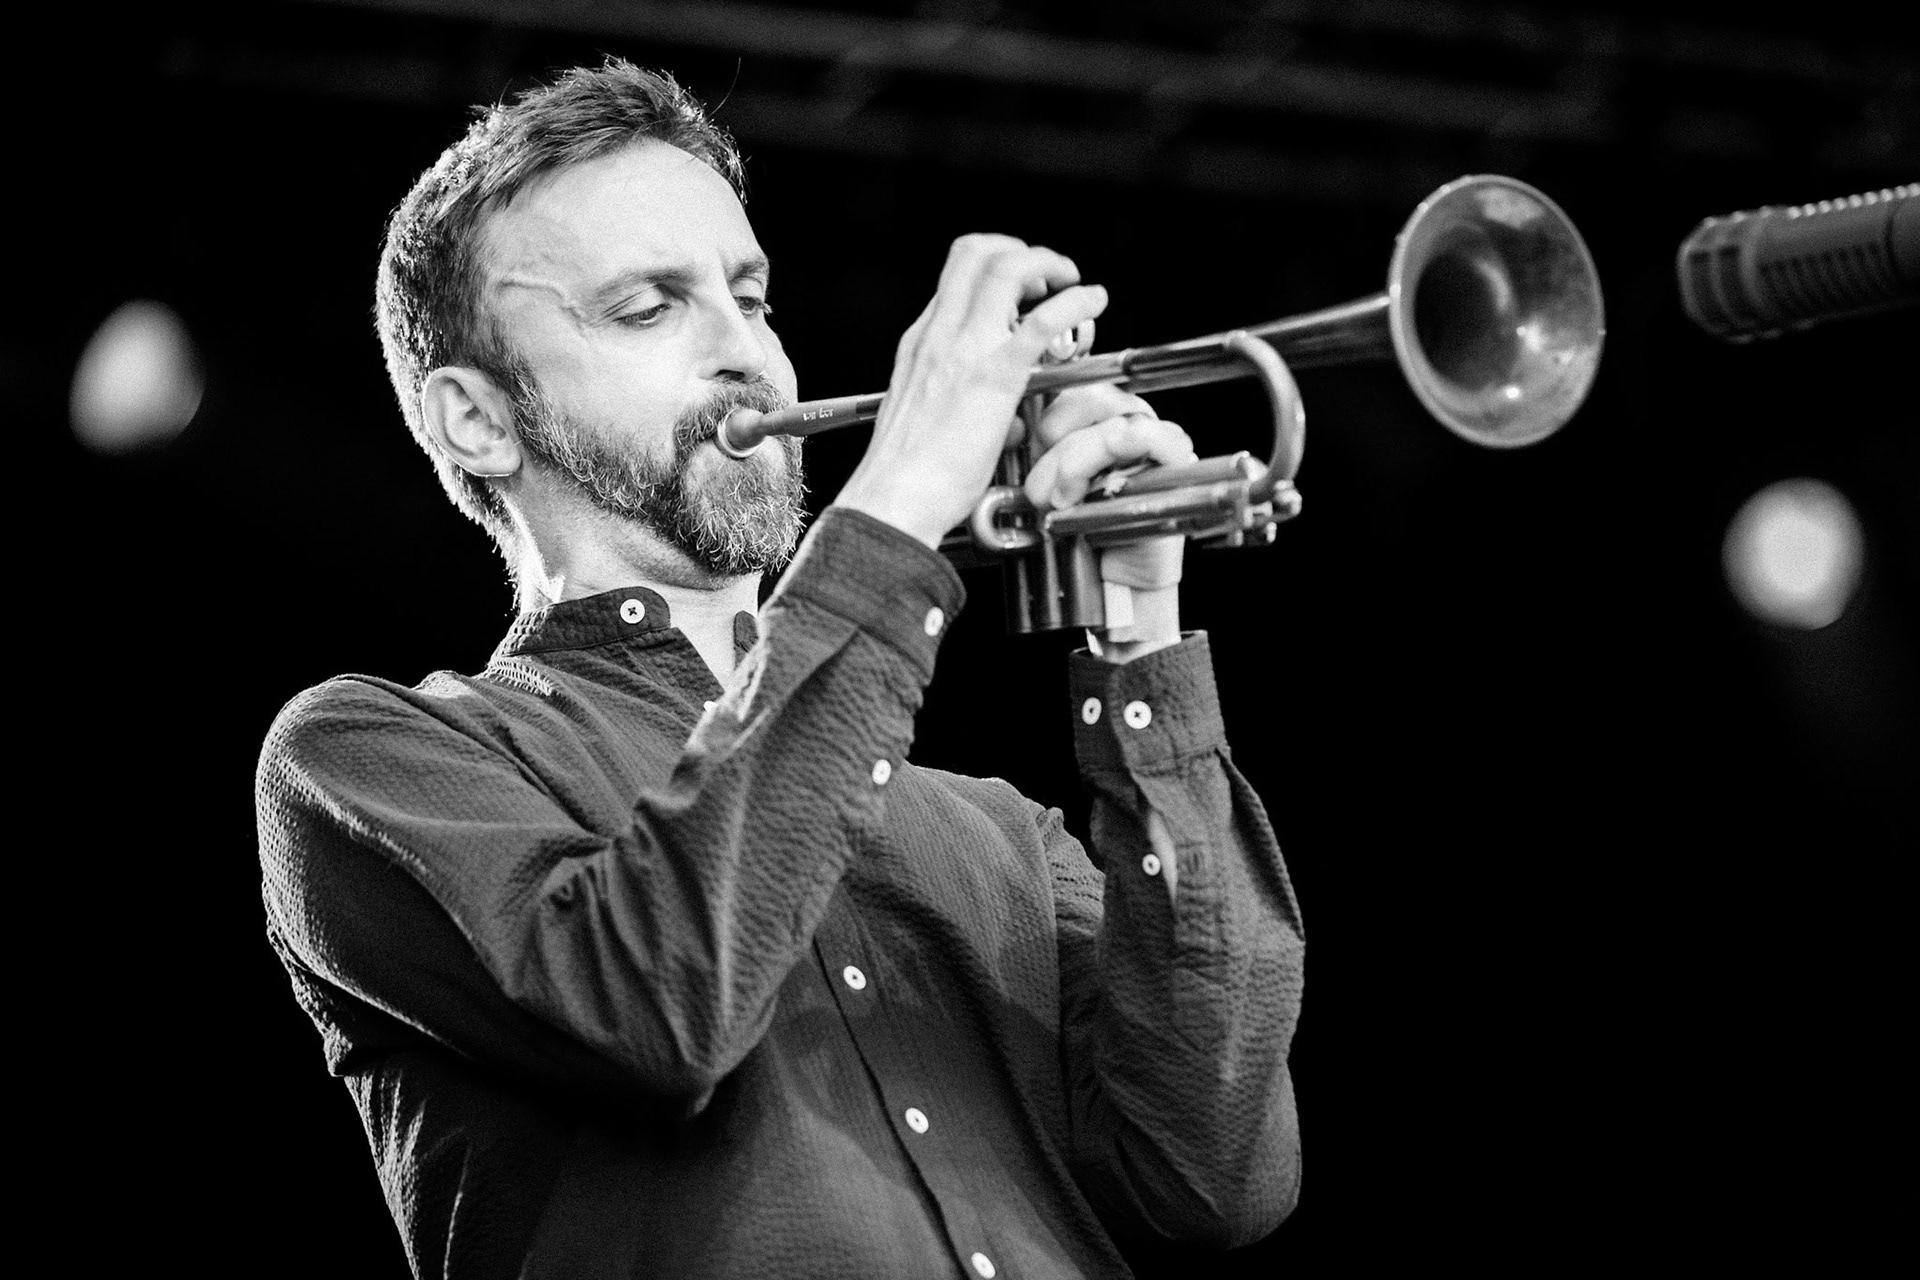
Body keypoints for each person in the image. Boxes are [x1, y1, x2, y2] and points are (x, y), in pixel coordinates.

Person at [255, 58, 1304, 1280]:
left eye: (750, 297)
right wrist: (903, 492)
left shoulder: (1001, 833)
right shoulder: (369, 758)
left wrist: (1138, 616)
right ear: (477, 419)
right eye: (649, 310)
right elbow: (660, 1005)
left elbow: (1217, 1177)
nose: (745, 352)